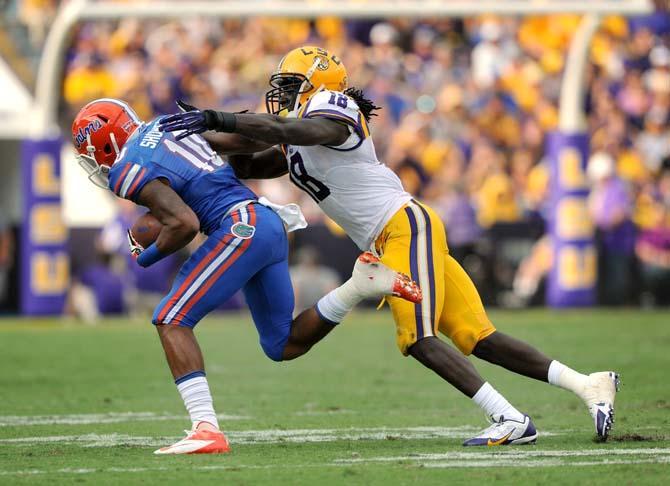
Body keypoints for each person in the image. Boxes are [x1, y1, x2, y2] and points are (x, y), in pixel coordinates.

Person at [159, 46, 620, 445]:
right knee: (477, 337)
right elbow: (249, 164)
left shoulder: (333, 114)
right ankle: (589, 385)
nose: (281, 92)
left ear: (319, 85)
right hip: (394, 236)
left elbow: (295, 132)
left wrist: (217, 117)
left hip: (403, 227)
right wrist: (189, 141)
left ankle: (509, 418)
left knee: (417, 338)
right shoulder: (296, 135)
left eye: (292, 83)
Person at [71, 98, 421, 455]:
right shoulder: (165, 125)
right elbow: (249, 142)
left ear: (104, 142)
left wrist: (147, 255)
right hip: (266, 223)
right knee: (282, 344)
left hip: (240, 228)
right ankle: (359, 285)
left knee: (170, 318)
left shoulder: (126, 168)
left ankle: (205, 428)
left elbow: (184, 224)